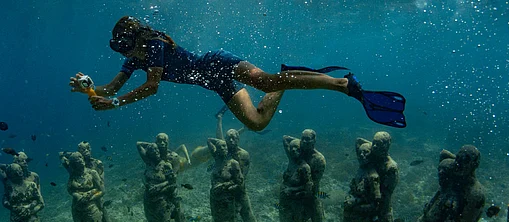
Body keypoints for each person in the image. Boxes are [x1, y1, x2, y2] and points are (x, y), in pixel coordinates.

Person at [70, 16, 406, 131]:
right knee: (258, 123)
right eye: (119, 49)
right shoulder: (135, 59)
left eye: (124, 46)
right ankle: (287, 78)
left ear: (135, 39)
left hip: (216, 63)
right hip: (213, 82)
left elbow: (153, 87)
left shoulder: (155, 45)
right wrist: (90, 89)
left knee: (265, 81)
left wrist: (113, 105)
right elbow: (111, 86)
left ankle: (343, 85)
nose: (124, 54)